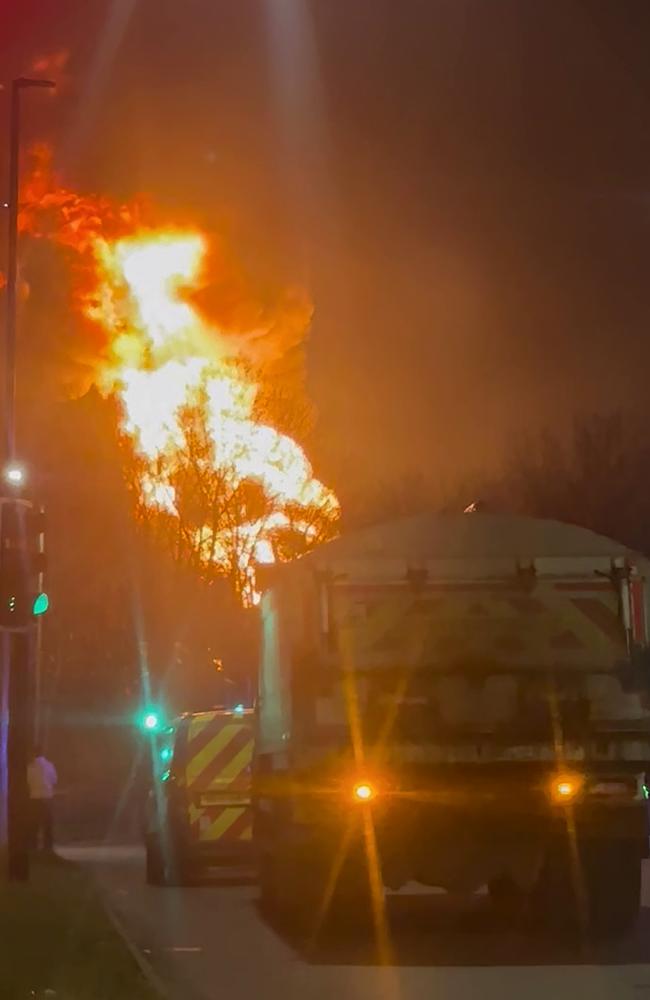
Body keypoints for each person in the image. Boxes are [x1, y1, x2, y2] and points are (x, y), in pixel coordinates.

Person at [27, 745, 58, 851]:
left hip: (34, 798)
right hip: (47, 797)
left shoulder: (30, 767)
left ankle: (33, 846)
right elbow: (54, 780)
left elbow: (28, 782)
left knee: (34, 823)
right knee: (47, 824)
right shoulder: (50, 765)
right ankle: (48, 847)